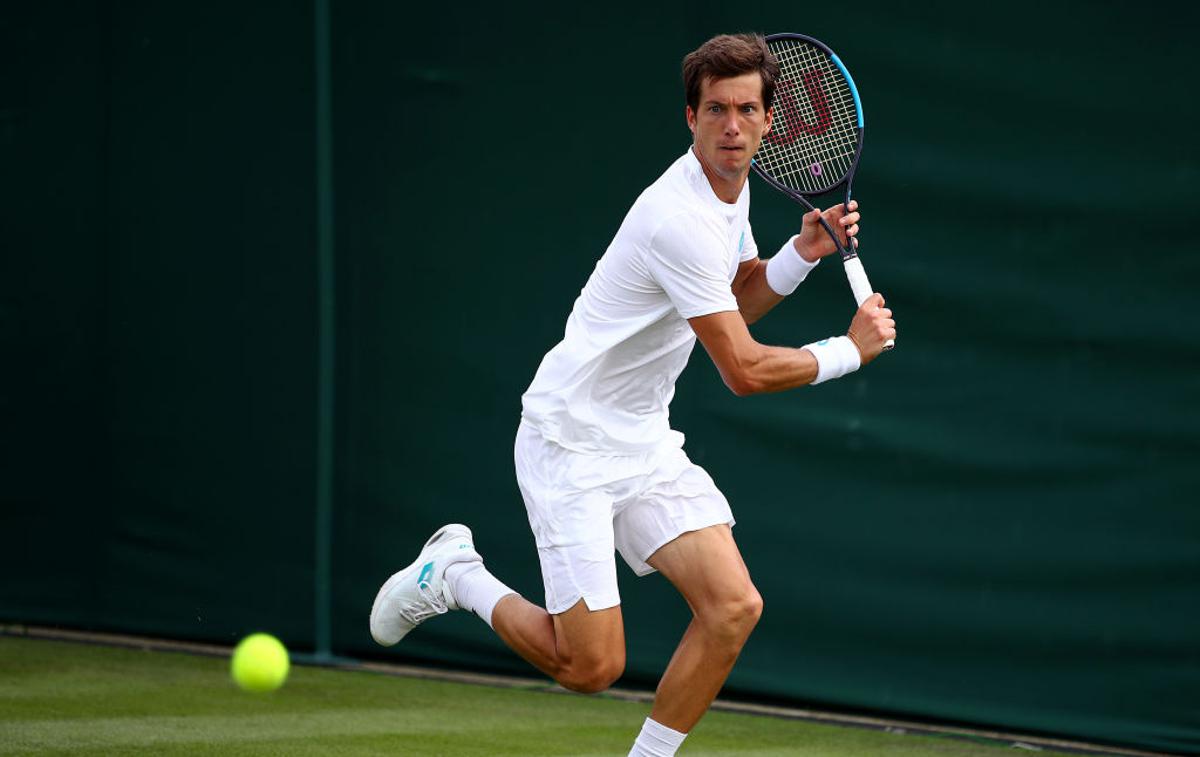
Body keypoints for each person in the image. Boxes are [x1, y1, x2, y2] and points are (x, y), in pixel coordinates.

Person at [369, 32, 896, 756]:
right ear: (691, 118)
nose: (732, 127)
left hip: (642, 440)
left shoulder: (729, 193)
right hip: (570, 441)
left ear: (771, 121)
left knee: (733, 607)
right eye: (716, 110)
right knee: (590, 665)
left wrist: (799, 255)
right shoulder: (675, 216)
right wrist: (848, 350)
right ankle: (457, 574)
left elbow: (735, 298)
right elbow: (740, 368)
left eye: (747, 110)